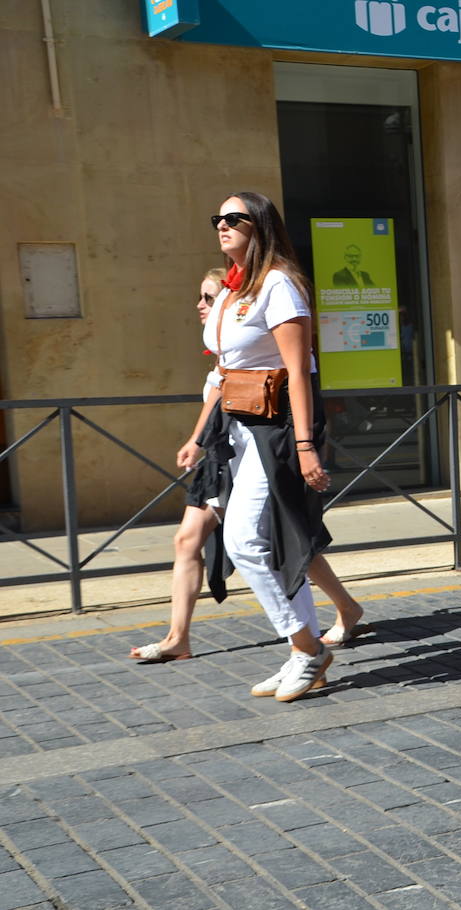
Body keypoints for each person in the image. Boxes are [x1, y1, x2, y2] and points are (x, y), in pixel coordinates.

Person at [130, 269, 366, 662]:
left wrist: (306, 447)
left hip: (261, 443)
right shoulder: (227, 353)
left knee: (280, 540)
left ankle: (330, 622)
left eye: (210, 297)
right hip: (223, 448)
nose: (202, 306)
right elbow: (219, 393)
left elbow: (298, 374)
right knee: (188, 540)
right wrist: (196, 440)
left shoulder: (268, 317)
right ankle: (178, 638)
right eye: (203, 298)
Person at [190, 192, 333, 701]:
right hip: (237, 427)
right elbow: (223, 369)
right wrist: (200, 433)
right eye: (218, 218)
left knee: (244, 541)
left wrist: (305, 444)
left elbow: (299, 369)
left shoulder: (278, 285)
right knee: (276, 544)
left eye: (234, 219)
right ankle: (304, 654)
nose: (222, 226)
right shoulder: (232, 290)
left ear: (261, 227)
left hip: (276, 428)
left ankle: (307, 647)